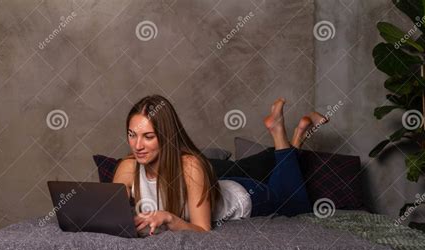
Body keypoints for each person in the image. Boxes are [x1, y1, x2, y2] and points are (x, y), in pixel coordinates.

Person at [112, 95, 328, 236]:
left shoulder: (190, 166)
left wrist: (169, 218)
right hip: (216, 188)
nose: (137, 145)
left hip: (247, 196)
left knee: (297, 206)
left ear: (167, 137)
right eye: (132, 135)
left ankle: (279, 132)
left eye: (148, 136)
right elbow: (111, 217)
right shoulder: (127, 167)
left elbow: (203, 230)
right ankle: (299, 136)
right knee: (288, 188)